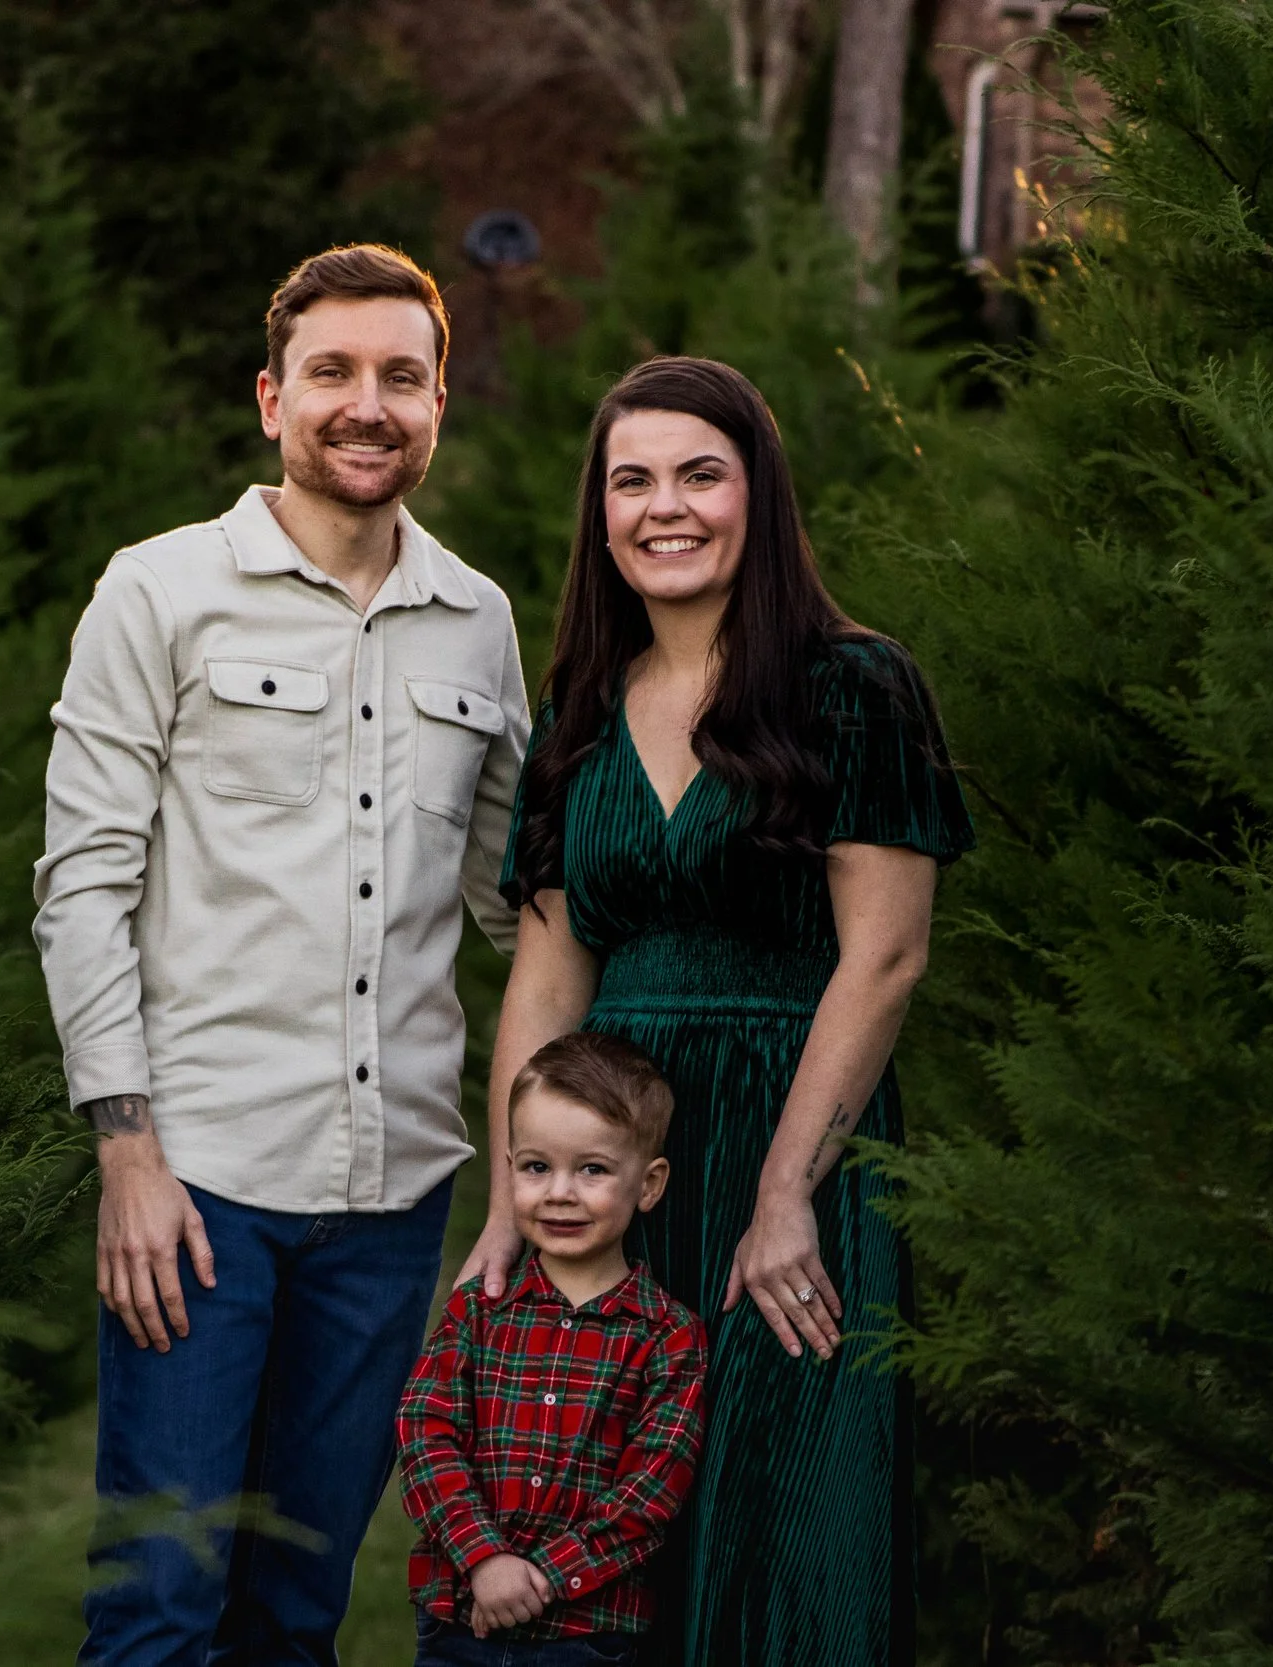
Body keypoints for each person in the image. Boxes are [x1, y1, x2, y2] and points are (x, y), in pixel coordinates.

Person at [33, 244, 530, 1666]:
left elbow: (518, 900)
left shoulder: (480, 620)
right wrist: (128, 1153)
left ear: (441, 404)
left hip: (395, 1199)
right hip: (202, 1190)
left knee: (298, 1608)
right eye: (333, 373)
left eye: (402, 376)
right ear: (271, 399)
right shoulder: (160, 590)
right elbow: (84, 883)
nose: (366, 405)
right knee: (160, 1606)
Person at [455, 356, 975, 1665]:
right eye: (632, 479)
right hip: (620, 1161)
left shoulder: (854, 687)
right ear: (601, 512)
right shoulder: (578, 715)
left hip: (790, 1146)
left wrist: (790, 1187)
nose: (664, 506)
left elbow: (887, 955)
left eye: (700, 473)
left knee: (790, 1518)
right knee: (614, 1530)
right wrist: (518, 1200)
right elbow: (549, 974)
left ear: (759, 495)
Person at [398, 1031, 707, 1667]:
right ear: (509, 1168)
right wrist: (483, 1558)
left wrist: (538, 1580)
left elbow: (650, 1494)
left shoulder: (668, 1336)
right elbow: (424, 1431)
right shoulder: (479, 1309)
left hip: (588, 1634)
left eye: (592, 1169)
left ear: (648, 1184)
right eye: (537, 1167)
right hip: (460, 1619)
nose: (560, 1192)